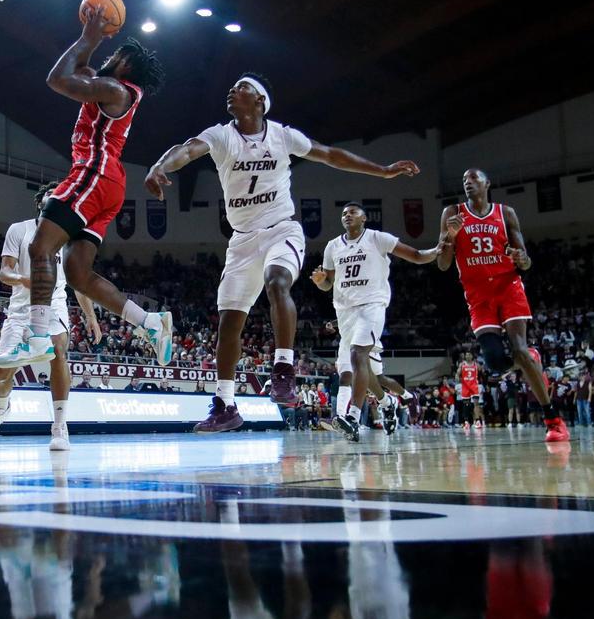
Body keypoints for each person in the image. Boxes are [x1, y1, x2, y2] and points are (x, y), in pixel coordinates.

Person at [146, 75, 420, 433]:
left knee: (277, 282)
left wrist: (381, 171)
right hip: (242, 240)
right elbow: (187, 148)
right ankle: (226, 405)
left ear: (260, 101)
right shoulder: (221, 134)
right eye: (231, 88)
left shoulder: (282, 135)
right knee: (229, 322)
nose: (231, 91)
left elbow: (330, 155)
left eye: (241, 88)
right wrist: (160, 167)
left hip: (282, 229)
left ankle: (283, 368)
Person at [0, 6, 172, 372]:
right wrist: (90, 46)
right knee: (77, 273)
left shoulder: (114, 88)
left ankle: (38, 337)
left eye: (116, 56)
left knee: (40, 245)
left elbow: (57, 80)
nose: (109, 57)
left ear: (126, 68)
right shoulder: (109, 88)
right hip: (109, 184)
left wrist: (87, 38)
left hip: (93, 173)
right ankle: (150, 323)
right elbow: (78, 71)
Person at [437, 168, 569, 443]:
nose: (468, 182)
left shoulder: (505, 213)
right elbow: (443, 264)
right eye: (464, 180)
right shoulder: (452, 213)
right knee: (496, 362)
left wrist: (521, 259)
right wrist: (450, 236)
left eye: (474, 179)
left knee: (519, 348)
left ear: (487, 183)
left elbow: (526, 262)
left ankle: (553, 419)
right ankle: (529, 359)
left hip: (507, 287)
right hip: (478, 295)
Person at [0, 184, 102, 451]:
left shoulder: (70, 238)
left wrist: (90, 316)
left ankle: (59, 425)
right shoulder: (19, 230)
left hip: (54, 306)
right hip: (21, 309)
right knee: (2, 371)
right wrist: (24, 279)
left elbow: (78, 283)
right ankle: (1, 407)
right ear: (41, 202)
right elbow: (4, 273)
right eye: (52, 195)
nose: (58, 199)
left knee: (58, 350)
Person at [310, 202, 444, 442]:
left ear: (364, 218)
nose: (347, 215)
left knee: (357, 357)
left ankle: (351, 417)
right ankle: (387, 401)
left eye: (352, 212)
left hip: (371, 306)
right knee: (360, 369)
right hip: (344, 312)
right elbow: (328, 283)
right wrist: (320, 282)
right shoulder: (332, 246)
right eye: (343, 213)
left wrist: (436, 251)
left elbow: (415, 255)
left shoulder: (377, 238)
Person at [457, 351, 484, 430]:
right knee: (466, 405)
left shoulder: (476, 364)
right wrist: (457, 377)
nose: (467, 356)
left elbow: (482, 372)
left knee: (476, 404)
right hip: (465, 386)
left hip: (474, 385)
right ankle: (466, 422)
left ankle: (478, 421)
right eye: (466, 355)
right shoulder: (462, 364)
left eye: (469, 354)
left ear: (472, 356)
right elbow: (457, 374)